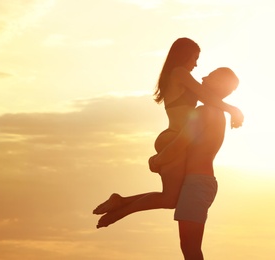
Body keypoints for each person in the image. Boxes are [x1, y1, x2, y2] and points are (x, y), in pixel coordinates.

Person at [93, 38, 242, 227]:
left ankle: (120, 202)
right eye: (195, 58)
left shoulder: (179, 76)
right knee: (169, 199)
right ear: (184, 55)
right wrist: (234, 110)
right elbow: (206, 95)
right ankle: (120, 211)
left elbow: (209, 98)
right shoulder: (179, 73)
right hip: (173, 138)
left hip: (173, 137)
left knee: (171, 198)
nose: (196, 64)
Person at [149, 67, 239, 260]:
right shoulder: (216, 113)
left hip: (197, 184)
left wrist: (156, 160)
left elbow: (180, 144)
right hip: (201, 183)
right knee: (190, 249)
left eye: (211, 76)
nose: (204, 77)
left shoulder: (204, 111)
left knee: (191, 250)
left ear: (221, 85)